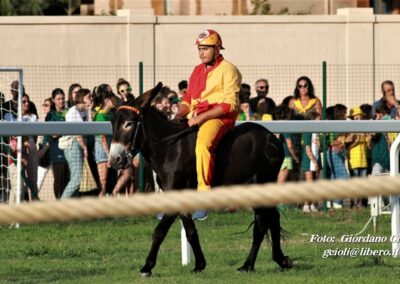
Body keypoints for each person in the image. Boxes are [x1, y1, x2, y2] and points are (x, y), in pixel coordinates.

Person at [174, 29, 242, 221]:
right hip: (196, 116)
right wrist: (178, 115)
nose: (201, 52)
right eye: (200, 49)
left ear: (217, 48)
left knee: (203, 145)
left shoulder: (229, 69)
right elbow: (188, 100)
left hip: (220, 118)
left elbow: (231, 104)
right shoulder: (197, 70)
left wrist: (201, 118)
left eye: (205, 48)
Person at [61, 88, 92, 199]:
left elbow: (90, 128)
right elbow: (77, 133)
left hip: (80, 144)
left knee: (76, 178)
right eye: (89, 97)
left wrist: (89, 111)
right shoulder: (73, 111)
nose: (91, 99)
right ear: (82, 98)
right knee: (77, 178)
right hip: (72, 145)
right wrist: (84, 148)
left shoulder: (84, 111)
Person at [42, 89, 70, 199]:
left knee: (68, 179)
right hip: (57, 150)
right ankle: (58, 201)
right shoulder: (51, 115)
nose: (61, 101)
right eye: (58, 99)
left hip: (69, 149)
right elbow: (52, 134)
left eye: (63, 98)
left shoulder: (69, 112)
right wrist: (66, 130)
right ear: (53, 100)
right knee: (59, 178)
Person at [92, 88, 116, 196]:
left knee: (110, 180)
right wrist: (109, 155)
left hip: (111, 147)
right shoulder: (100, 115)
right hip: (102, 150)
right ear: (106, 100)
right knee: (103, 181)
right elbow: (102, 138)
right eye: (112, 99)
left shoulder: (111, 114)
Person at [346, 106, 368, 208]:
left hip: (363, 160)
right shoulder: (350, 130)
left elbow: (368, 145)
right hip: (354, 161)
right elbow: (348, 146)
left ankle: (361, 203)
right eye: (355, 118)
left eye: (360, 118)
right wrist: (356, 140)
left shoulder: (364, 130)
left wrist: (369, 138)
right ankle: (353, 203)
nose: (358, 120)